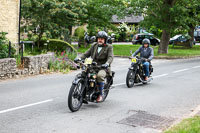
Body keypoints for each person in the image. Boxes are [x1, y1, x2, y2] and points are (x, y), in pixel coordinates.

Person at [77, 31, 114, 102]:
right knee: (84, 74)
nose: (100, 40)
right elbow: (86, 54)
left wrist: (107, 64)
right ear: (97, 39)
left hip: (103, 68)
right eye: (99, 38)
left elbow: (110, 57)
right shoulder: (94, 45)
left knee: (99, 76)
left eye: (102, 39)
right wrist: (79, 58)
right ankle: (84, 92)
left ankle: (101, 94)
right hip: (93, 66)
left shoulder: (109, 47)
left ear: (105, 40)